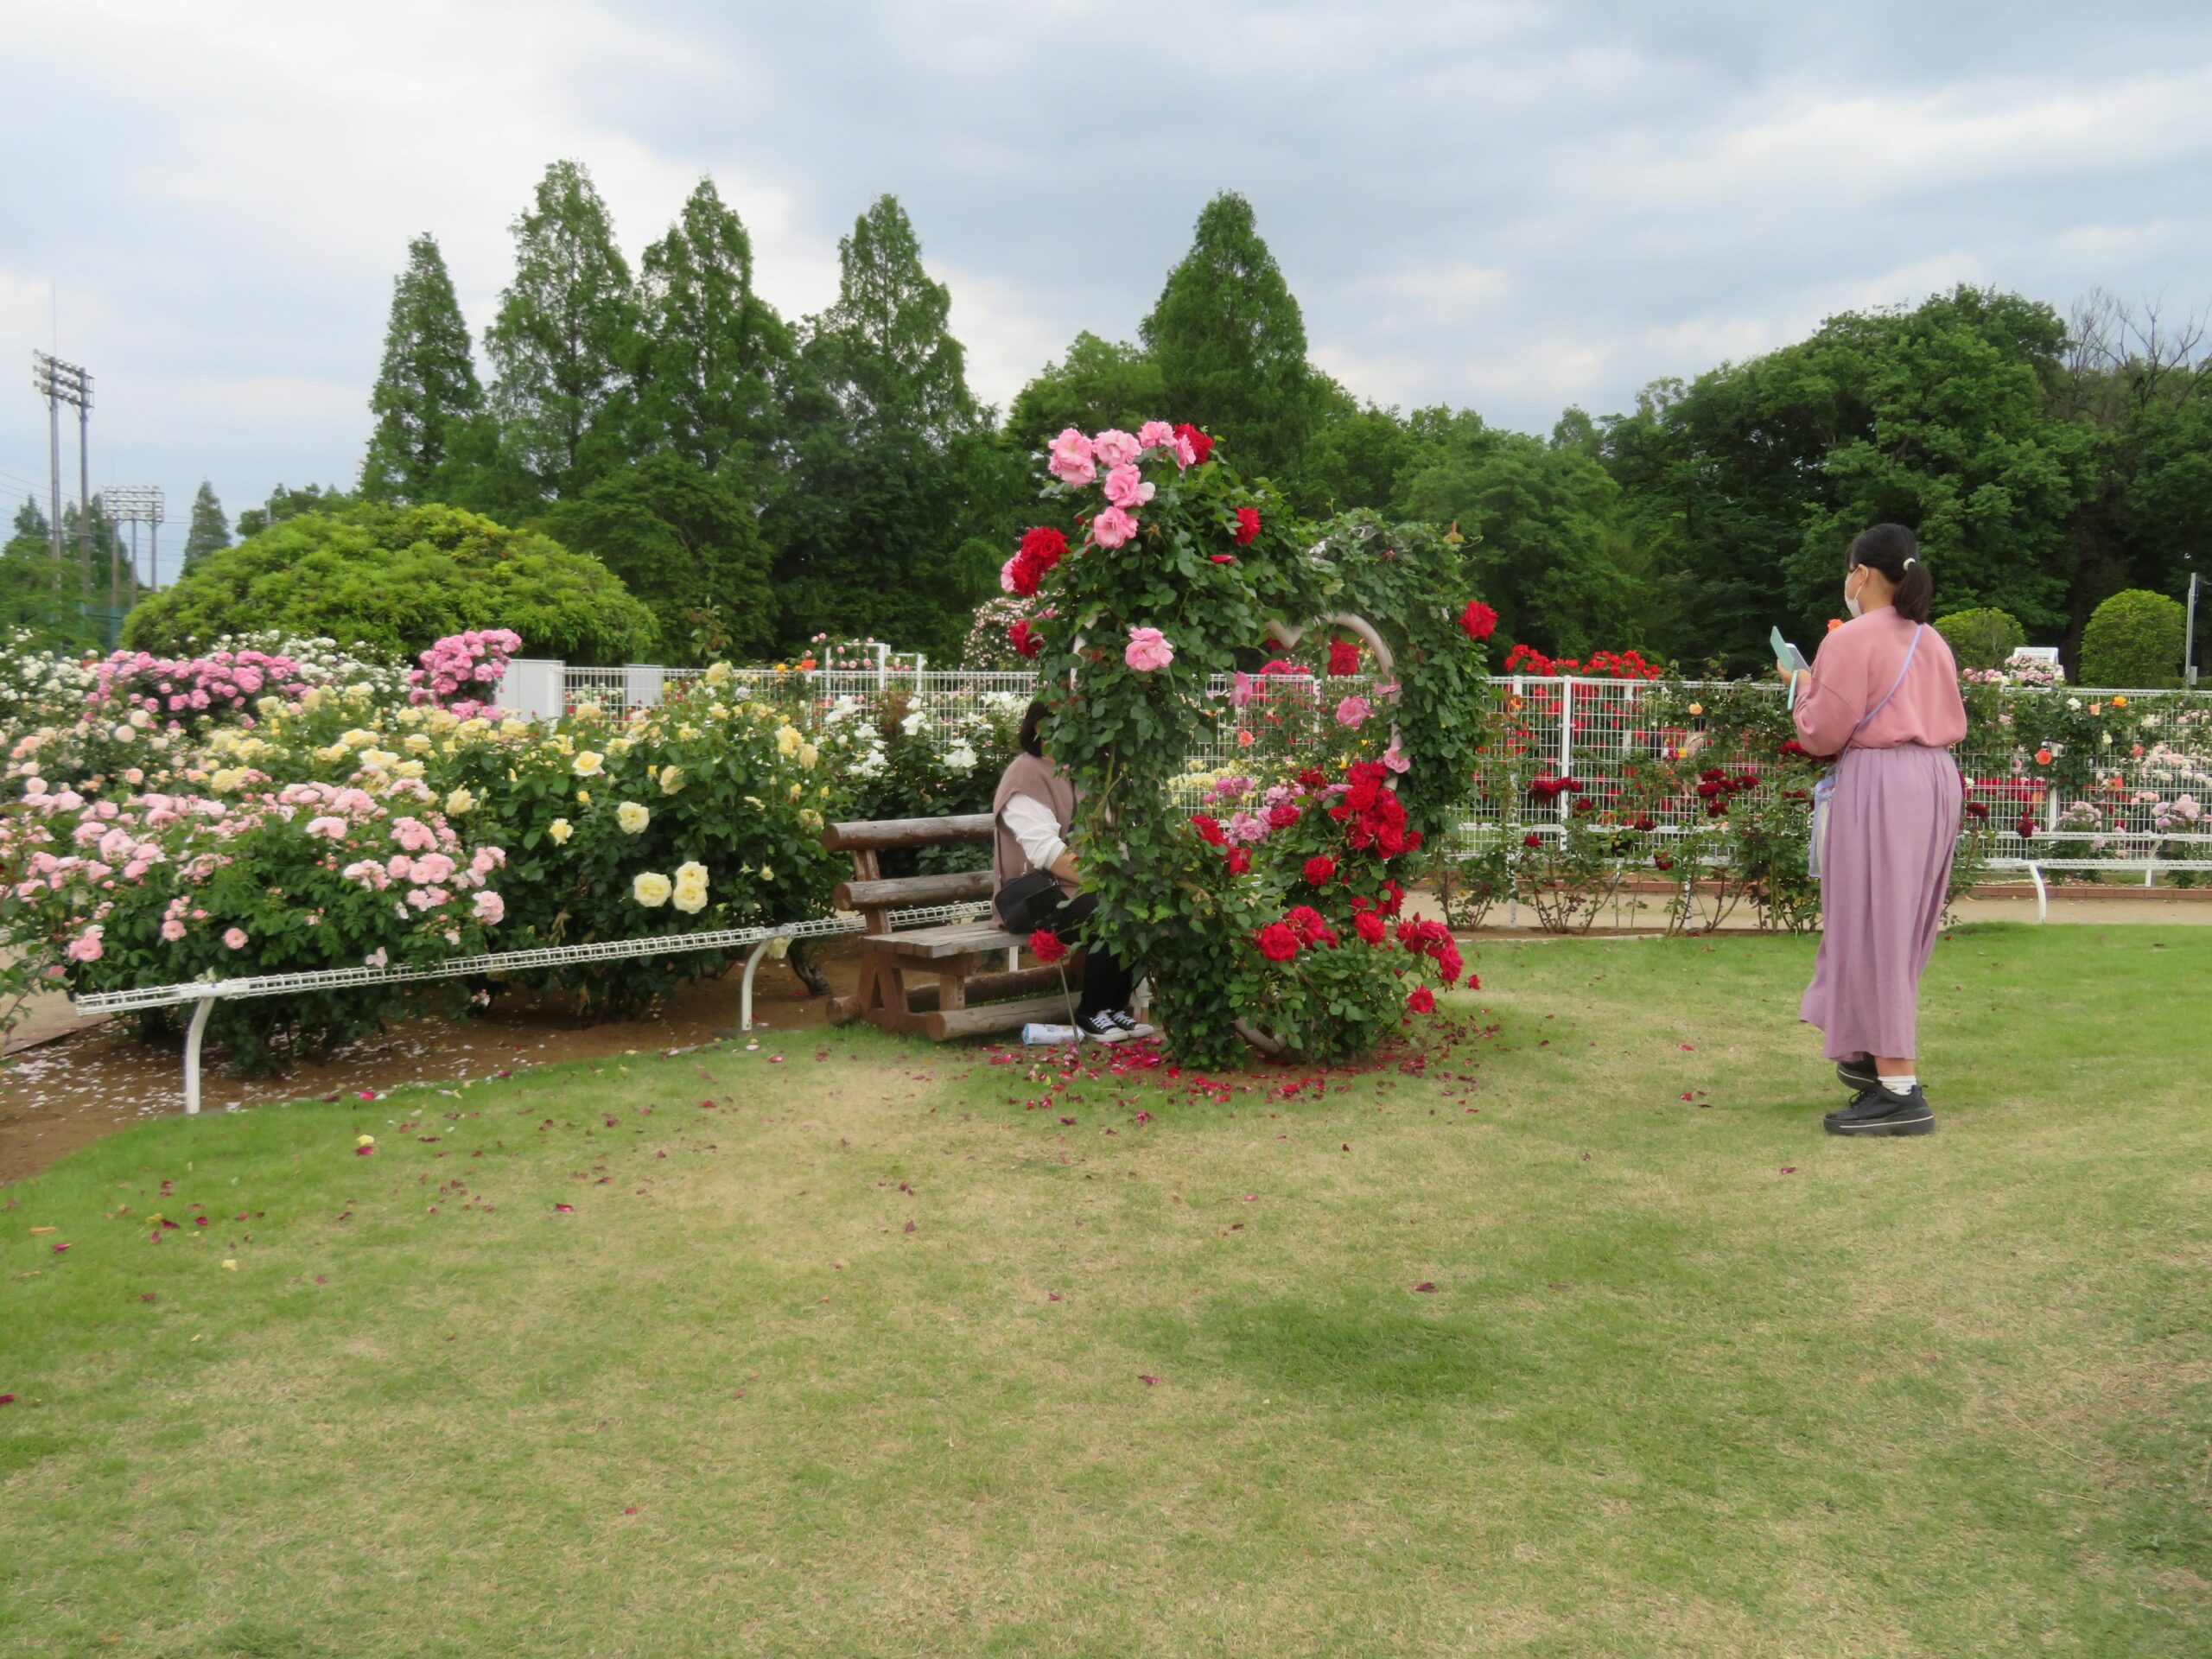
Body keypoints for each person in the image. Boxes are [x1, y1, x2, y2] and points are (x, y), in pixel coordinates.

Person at [1779, 524, 1967, 1137]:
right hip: (1936, 779)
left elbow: (1824, 733)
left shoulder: (1851, 639)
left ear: (1861, 572)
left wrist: (1800, 690)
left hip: (1883, 782)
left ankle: (1898, 1087)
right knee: (1899, 925)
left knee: (1874, 924)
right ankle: (1871, 1055)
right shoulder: (1932, 639)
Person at [991, 699, 1153, 1045]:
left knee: (1137, 902)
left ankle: (1115, 1007)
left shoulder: (1081, 773)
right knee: (1110, 907)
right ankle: (1091, 1011)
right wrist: (1111, 884)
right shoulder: (1026, 774)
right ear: (1039, 727)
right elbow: (1046, 852)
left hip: (1079, 887)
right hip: (1035, 895)